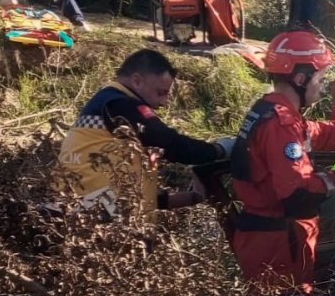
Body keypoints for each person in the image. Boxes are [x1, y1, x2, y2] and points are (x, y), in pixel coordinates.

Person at [229, 28, 335, 296]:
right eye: (319, 78)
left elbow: (319, 132)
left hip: (269, 237)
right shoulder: (281, 124)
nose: (322, 86)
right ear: (300, 78)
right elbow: (298, 194)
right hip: (277, 243)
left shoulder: (271, 110)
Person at [56, 49, 234, 218]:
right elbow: (170, 144)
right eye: (160, 93)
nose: (163, 102)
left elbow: (114, 180)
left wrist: (183, 199)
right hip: (99, 220)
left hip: (82, 215)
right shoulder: (120, 105)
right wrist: (218, 150)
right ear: (137, 81)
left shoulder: (103, 104)